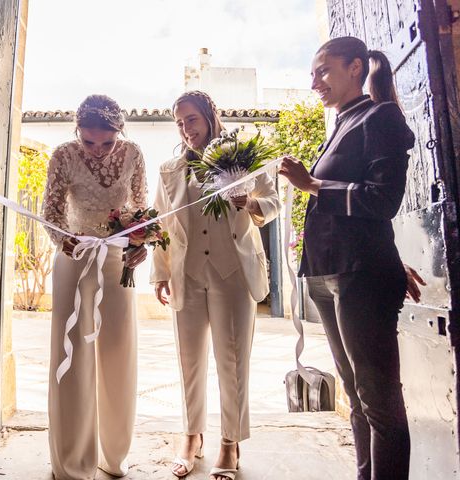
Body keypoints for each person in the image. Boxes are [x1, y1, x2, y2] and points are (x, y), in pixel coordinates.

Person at [279, 36, 416, 480]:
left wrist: (313, 185)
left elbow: (384, 200)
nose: (314, 81)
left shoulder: (381, 116)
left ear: (355, 67)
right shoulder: (340, 123)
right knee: (356, 398)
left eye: (323, 70)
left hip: (361, 276)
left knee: (379, 402)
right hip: (325, 273)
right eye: (312, 73)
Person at [151, 91, 281, 480]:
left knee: (233, 360)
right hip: (187, 273)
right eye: (179, 122)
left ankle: (230, 442)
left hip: (234, 273)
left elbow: (273, 202)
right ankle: (191, 437)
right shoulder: (170, 169)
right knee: (189, 361)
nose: (185, 128)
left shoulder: (243, 157)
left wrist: (248, 204)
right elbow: (161, 223)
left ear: (210, 116)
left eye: (191, 119)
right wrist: (160, 272)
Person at [42, 94, 148, 479]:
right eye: (89, 142)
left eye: (107, 142)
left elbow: (141, 209)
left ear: (121, 133)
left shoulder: (134, 153)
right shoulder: (62, 155)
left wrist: (141, 245)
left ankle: (113, 455)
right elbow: (50, 213)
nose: (99, 151)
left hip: (118, 260)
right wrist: (66, 240)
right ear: (77, 133)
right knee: (73, 359)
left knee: (118, 352)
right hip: (75, 258)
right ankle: (72, 462)